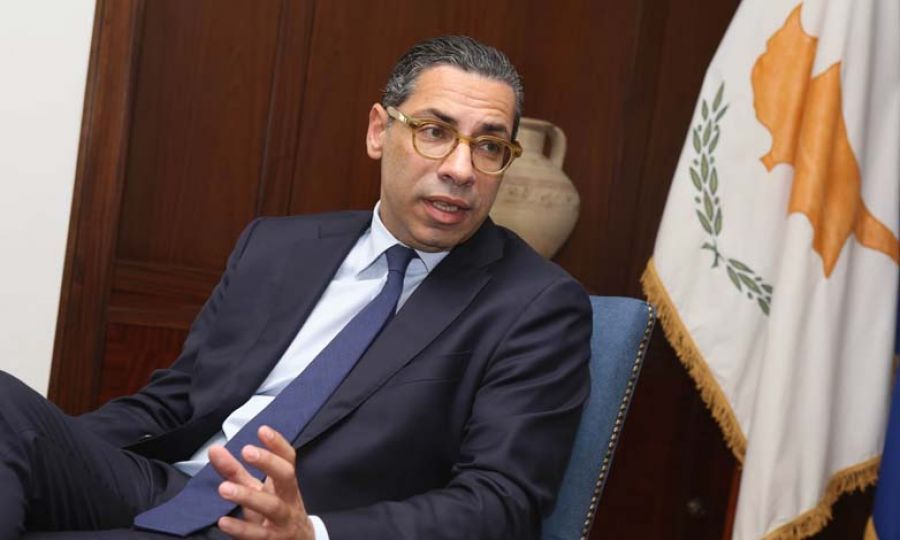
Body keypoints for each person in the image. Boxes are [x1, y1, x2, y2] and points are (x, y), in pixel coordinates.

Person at [0, 35, 591, 539]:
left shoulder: (535, 306)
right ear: (379, 131)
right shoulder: (278, 246)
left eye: (489, 146)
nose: (461, 169)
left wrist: (313, 533)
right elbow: (175, 401)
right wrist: (45, 453)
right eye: (435, 132)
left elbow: (501, 502)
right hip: (165, 486)